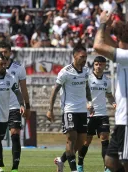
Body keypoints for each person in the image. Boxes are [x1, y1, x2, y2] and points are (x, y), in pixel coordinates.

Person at [0, 42, 31, 172]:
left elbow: (23, 89)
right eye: (1, 52)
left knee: (15, 135)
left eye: (5, 52)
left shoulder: (18, 68)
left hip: (14, 106)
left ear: (10, 52)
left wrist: (27, 106)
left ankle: (15, 168)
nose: (3, 54)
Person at [46, 43, 94, 172]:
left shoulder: (85, 71)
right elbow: (55, 90)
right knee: (71, 139)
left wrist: (90, 102)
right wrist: (50, 109)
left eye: (86, 57)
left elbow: (87, 88)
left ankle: (61, 160)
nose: (84, 60)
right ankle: (74, 170)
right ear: (74, 56)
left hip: (82, 111)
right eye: (82, 57)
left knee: (81, 142)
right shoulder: (65, 71)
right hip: (69, 110)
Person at [93, 10, 128, 172]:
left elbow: (98, 46)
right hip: (122, 121)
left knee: (125, 163)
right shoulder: (124, 55)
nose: (116, 42)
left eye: (118, 39)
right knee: (111, 161)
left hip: (127, 121)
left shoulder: (126, 56)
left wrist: (101, 24)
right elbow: (109, 45)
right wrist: (107, 28)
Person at [77, 56, 116, 172]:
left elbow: (109, 95)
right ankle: (79, 164)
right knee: (86, 141)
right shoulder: (87, 79)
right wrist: (87, 104)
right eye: (96, 64)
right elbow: (80, 95)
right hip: (89, 115)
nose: (99, 66)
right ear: (93, 65)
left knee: (105, 139)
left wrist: (114, 103)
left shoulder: (107, 81)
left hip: (102, 114)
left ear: (105, 66)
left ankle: (107, 167)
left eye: (101, 64)